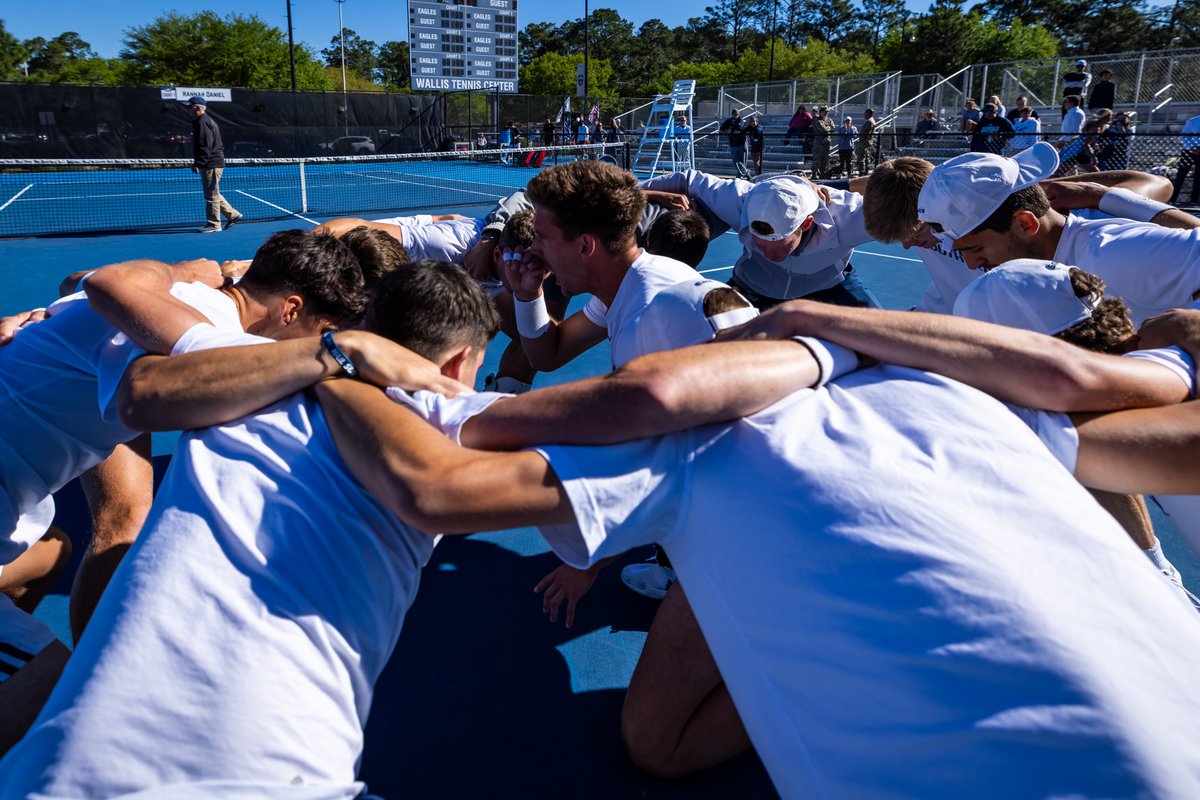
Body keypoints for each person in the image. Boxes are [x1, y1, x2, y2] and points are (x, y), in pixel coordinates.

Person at [318, 284, 1200, 799]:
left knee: (653, 745)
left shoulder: (690, 436)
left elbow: (438, 482)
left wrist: (329, 362)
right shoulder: (987, 407)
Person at [0, 261, 842, 798]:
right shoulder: (458, 415)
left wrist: (332, 354)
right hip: (257, 773)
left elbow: (114, 307)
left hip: (55, 768)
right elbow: (649, 402)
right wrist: (827, 350)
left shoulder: (229, 384)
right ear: (459, 364)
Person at [860, 155, 1186, 315]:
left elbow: (1155, 184)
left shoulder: (1109, 251)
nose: (910, 245)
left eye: (919, 232)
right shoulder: (960, 219)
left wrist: (1098, 194)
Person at [500, 159, 702, 373]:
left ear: (585, 246)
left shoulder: (648, 319)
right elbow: (549, 355)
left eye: (541, 237)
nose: (533, 249)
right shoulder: (623, 288)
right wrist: (528, 295)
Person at [640, 169, 879, 310]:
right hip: (754, 287)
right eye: (760, 244)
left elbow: (911, 210)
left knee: (886, 339)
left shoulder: (849, 216)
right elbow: (688, 179)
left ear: (806, 224)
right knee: (704, 341)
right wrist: (643, 193)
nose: (769, 255)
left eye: (779, 246)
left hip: (829, 287)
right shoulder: (740, 199)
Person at [187, 96, 241, 233]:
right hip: (212, 162)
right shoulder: (202, 121)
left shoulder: (203, 122)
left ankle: (214, 224)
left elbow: (205, 146)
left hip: (211, 163)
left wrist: (198, 163)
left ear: (198, 108)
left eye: (190, 107)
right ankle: (233, 214)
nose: (188, 109)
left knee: (210, 195)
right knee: (213, 193)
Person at [1170, 112, 1200, 206]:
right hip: (1189, 152)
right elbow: (1184, 137)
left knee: (1198, 177)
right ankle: (1172, 198)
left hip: (1192, 150)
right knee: (1181, 175)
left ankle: (1194, 200)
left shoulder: (1192, 121)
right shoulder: (1192, 121)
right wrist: (1192, 148)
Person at [719, 108, 748, 178]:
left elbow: (737, 131)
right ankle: (741, 173)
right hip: (733, 144)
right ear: (732, 114)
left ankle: (744, 174)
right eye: (735, 114)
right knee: (735, 161)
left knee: (742, 162)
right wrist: (727, 132)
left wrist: (730, 131)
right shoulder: (728, 121)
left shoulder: (740, 120)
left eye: (737, 114)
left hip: (741, 143)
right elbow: (721, 131)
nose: (736, 115)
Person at [811, 106, 836, 179]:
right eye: (824, 112)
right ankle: (814, 174)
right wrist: (828, 129)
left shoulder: (829, 120)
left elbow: (833, 128)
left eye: (827, 112)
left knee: (825, 159)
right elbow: (823, 129)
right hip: (819, 142)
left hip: (827, 142)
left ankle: (823, 173)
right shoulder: (817, 120)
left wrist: (828, 129)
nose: (826, 113)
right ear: (820, 112)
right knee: (817, 158)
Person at [855, 109, 877, 176]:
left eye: (865, 113)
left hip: (864, 142)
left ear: (868, 114)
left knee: (861, 157)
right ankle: (865, 171)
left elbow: (868, 132)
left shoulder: (869, 122)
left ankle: (862, 172)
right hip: (867, 142)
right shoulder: (872, 121)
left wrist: (864, 140)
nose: (864, 115)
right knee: (866, 157)